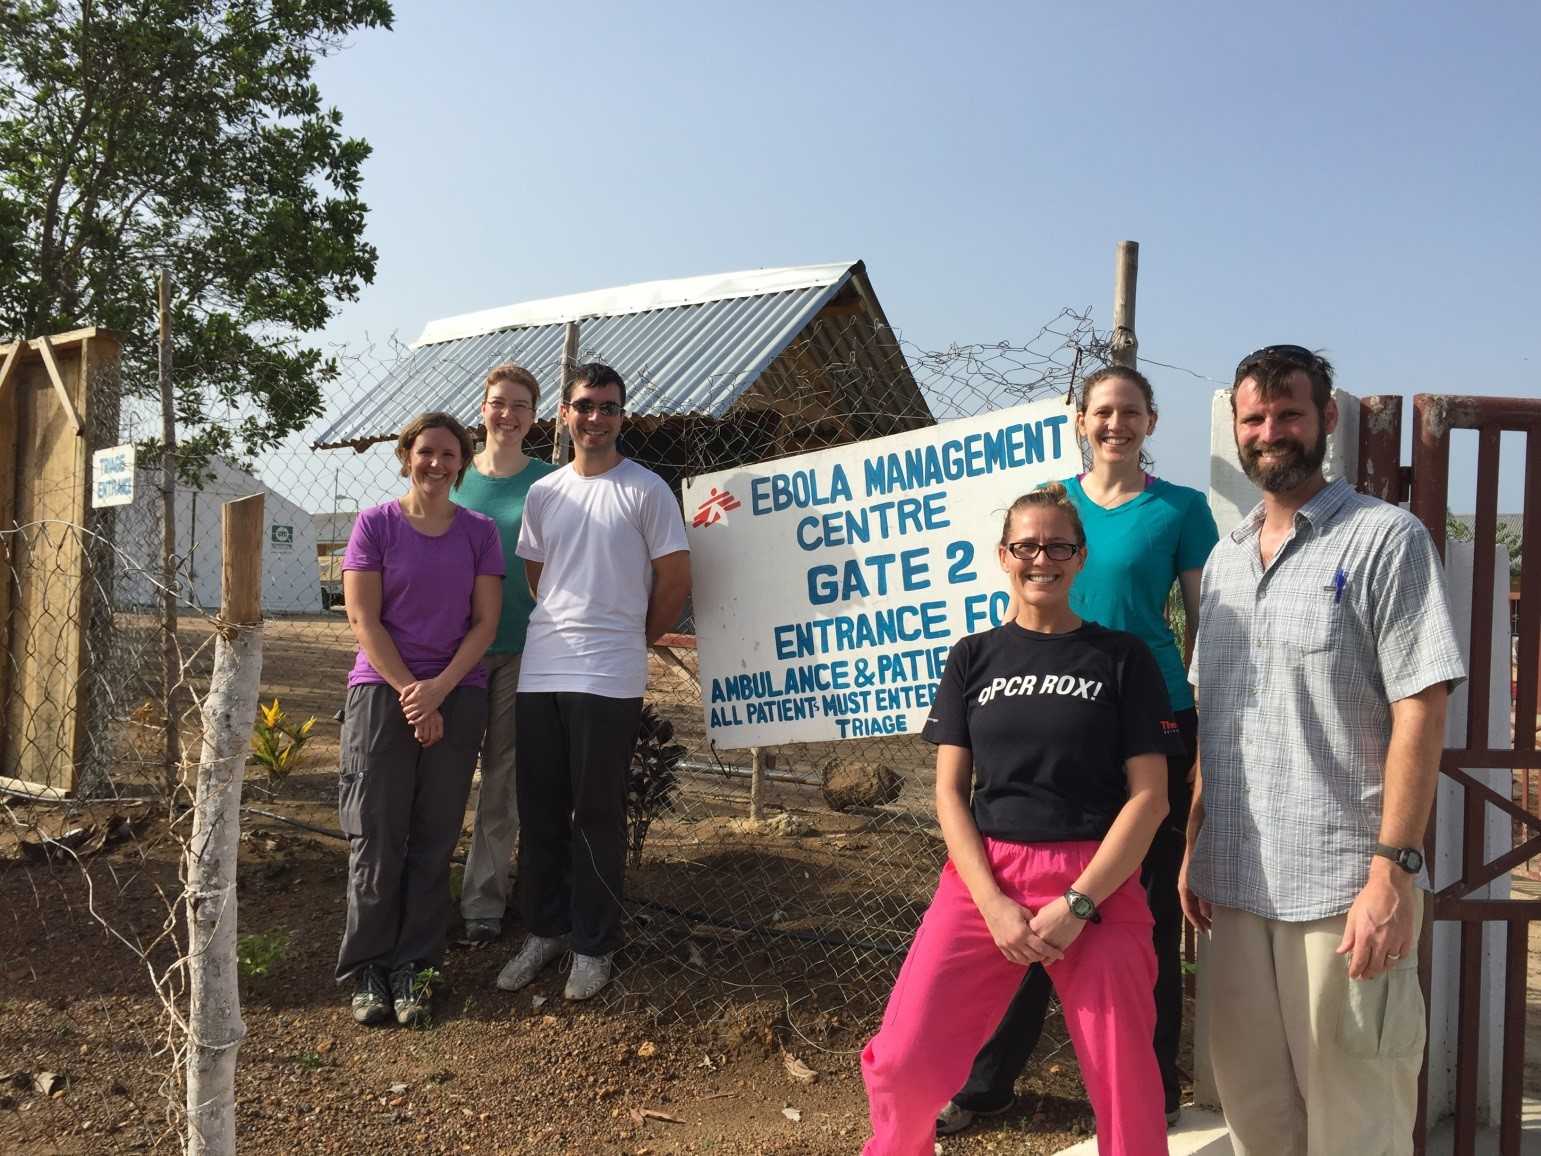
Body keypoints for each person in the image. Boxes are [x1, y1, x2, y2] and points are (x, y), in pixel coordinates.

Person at [1180, 345, 1465, 1155]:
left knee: (1357, 1121)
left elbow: (1420, 706)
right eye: (1254, 417)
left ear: (1325, 420)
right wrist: (1196, 843)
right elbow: (1218, 716)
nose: (1271, 431)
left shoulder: (1384, 540)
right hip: (1235, 885)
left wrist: (1391, 872)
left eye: (1288, 413)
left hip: (1344, 887)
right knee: (1256, 1115)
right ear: (1237, 428)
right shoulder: (1228, 560)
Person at [939, 366, 1218, 1135]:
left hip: (1147, 722)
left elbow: (1203, 629)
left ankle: (1148, 1091)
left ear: (1150, 422)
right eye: (1102, 412)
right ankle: (987, 1083)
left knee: (1144, 910)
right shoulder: (1054, 509)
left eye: (1130, 412)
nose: (1115, 424)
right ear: (1080, 422)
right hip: (1047, 719)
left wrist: (1199, 731)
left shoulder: (1181, 510)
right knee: (1023, 897)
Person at [862, 483, 1181, 1156]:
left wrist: (1078, 903)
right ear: (1003, 555)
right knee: (900, 1059)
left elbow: (1149, 797)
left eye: (1058, 545)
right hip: (985, 880)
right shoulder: (972, 656)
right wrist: (994, 906)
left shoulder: (1121, 658)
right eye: (1026, 546)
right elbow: (949, 793)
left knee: (1127, 1082)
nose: (1043, 558)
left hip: (1096, 878)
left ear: (1080, 556)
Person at [495, 362, 691, 1001]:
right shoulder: (545, 493)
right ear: (565, 414)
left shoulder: (647, 490)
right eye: (584, 406)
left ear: (621, 416)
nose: (595, 418)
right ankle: (545, 931)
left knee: (597, 813)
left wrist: (633, 637)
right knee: (541, 808)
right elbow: (537, 579)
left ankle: (593, 944)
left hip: (610, 672)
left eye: (608, 407)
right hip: (543, 666)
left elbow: (675, 580)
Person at [336, 411, 504, 1027]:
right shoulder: (375, 525)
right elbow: (363, 618)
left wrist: (440, 692)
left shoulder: (479, 531)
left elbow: (485, 623)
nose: (436, 463)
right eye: (425, 451)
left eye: (449, 454)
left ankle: (416, 967)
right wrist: (413, 693)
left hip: (458, 692)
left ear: (463, 463)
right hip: (383, 692)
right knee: (376, 836)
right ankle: (369, 969)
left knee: (434, 839)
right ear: (407, 455)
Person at [453, 363, 556, 946]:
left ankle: (483, 903)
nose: (508, 415)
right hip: (452, 651)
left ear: (534, 416)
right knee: (441, 778)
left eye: (520, 405)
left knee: (502, 781)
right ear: (483, 408)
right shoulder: (453, 475)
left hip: (522, 648)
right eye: (498, 403)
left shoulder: (550, 481)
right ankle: (421, 890)